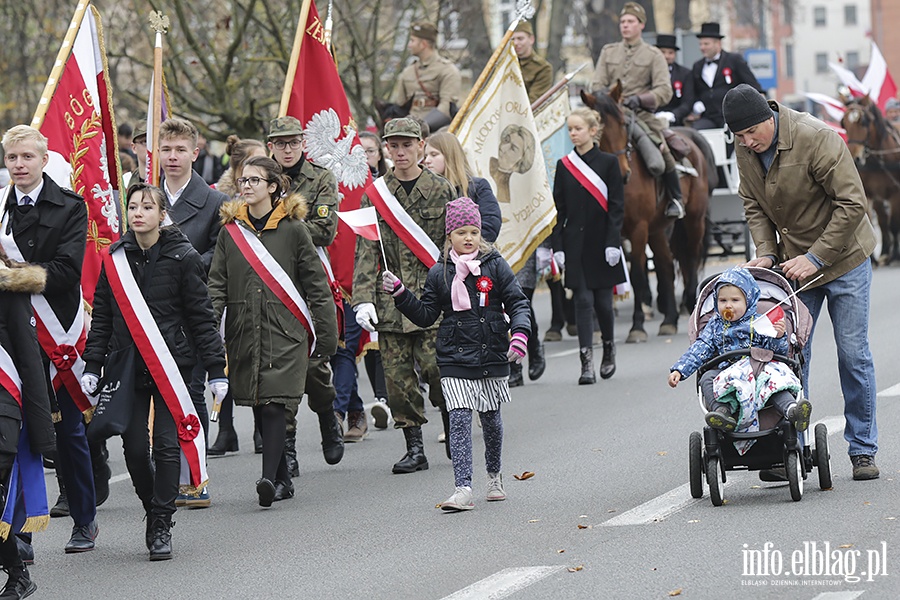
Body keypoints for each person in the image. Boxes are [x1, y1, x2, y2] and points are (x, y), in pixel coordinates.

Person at [722, 83, 879, 480]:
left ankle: (862, 450)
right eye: (737, 137)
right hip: (793, 268)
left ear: (767, 119)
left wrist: (816, 257)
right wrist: (767, 250)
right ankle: (788, 448)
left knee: (852, 354)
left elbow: (852, 204)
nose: (745, 143)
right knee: (785, 357)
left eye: (749, 134)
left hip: (843, 260)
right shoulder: (746, 148)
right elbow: (753, 203)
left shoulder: (816, 137)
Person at [81, 184, 227, 560]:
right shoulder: (113, 259)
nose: (138, 212)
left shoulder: (184, 257)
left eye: (147, 206)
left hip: (171, 365)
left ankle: (161, 521)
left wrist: (215, 368)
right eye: (132, 206)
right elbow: (103, 319)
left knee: (165, 446)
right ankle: (153, 506)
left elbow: (201, 317)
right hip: (127, 366)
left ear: (162, 214)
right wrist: (93, 365)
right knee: (132, 450)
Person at [382, 197, 530, 510]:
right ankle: (463, 488)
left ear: (481, 235)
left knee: (490, 420)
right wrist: (400, 294)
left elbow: (517, 302)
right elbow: (424, 315)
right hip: (453, 357)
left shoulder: (495, 264)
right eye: (461, 231)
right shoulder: (439, 273)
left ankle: (494, 476)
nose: (468, 238)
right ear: (450, 236)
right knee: (459, 418)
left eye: (474, 232)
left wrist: (519, 335)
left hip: (491, 354)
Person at [208, 156, 338, 506]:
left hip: (286, 330)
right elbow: (217, 284)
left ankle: (267, 478)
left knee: (275, 404)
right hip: (244, 330)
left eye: (255, 180)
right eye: (243, 180)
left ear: (273, 186)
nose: (246, 186)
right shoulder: (230, 233)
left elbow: (315, 284)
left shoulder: (294, 229)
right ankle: (282, 478)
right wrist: (209, 332)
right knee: (258, 400)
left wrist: (327, 334)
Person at [1, 125, 99, 553]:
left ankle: (84, 518)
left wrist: (14, 277)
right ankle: (16, 534)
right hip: (11, 332)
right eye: (11, 158)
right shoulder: (1, 206)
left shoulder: (69, 207)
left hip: (56, 332)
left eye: (26, 157)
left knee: (67, 433)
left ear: (43, 159)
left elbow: (65, 272)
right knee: (15, 433)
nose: (19, 165)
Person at [353, 117, 455, 473]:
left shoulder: (442, 190)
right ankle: (414, 447)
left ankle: (451, 430)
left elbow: (453, 245)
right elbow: (366, 249)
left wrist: (457, 287)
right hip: (392, 304)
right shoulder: (376, 193)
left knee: (437, 370)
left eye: (407, 145)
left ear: (421, 146)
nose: (400, 152)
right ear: (385, 150)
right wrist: (362, 298)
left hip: (433, 302)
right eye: (393, 146)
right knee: (397, 381)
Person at [158, 117, 229, 508]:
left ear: (195, 154)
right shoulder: (146, 197)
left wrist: (178, 265)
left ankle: (195, 475)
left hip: (192, 312)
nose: (173, 157)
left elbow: (217, 257)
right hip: (152, 312)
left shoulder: (214, 202)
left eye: (180, 149)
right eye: (166, 149)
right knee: (159, 395)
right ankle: (168, 472)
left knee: (191, 392)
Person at [267, 116, 344, 475]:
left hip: (308, 282)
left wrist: (279, 229)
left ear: (302, 143)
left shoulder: (321, 178)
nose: (287, 148)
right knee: (279, 371)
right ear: (270, 146)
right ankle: (288, 451)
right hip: (271, 281)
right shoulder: (261, 179)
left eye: (292, 142)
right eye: (280, 143)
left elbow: (325, 230)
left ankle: (327, 414)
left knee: (314, 366)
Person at [668, 267, 811, 438]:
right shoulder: (714, 326)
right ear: (716, 302)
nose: (728, 305)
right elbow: (700, 349)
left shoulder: (759, 322)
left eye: (735, 300)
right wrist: (679, 370)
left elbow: (778, 351)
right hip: (727, 374)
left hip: (759, 371)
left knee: (776, 382)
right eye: (722, 301)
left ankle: (792, 410)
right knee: (707, 378)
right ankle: (722, 411)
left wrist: (779, 336)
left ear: (748, 301)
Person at [551, 108, 626, 384]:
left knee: (604, 305)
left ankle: (608, 348)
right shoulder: (564, 165)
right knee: (582, 301)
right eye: (570, 129)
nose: (573, 133)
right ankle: (586, 362)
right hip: (575, 245)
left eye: (578, 128)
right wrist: (556, 245)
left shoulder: (608, 163)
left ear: (593, 131)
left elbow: (617, 207)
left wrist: (613, 242)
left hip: (602, 243)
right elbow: (559, 209)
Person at [590, 2, 684, 220]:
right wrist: (608, 99)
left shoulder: (653, 55)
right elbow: (597, 85)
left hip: (640, 116)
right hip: (610, 115)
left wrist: (640, 99)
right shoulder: (608, 51)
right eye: (623, 22)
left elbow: (664, 90)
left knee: (658, 158)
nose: (625, 26)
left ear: (641, 25)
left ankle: (675, 199)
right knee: (584, 147)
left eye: (630, 22)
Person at [0, 246, 57, 596]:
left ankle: (18, 573)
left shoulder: (10, 290)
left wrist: (43, 434)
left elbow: (30, 363)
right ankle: (17, 569)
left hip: (3, 410)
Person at [357, 132, 391, 429]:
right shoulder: (353, 185)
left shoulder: (386, 186)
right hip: (369, 270)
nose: (366, 155)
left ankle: (395, 392)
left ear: (379, 154)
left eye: (370, 150)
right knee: (371, 340)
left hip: (394, 270)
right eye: (360, 150)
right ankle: (381, 397)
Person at [423, 132, 501, 243]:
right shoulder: (424, 191)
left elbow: (490, 226)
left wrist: (460, 249)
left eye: (434, 154)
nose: (427, 161)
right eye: (426, 156)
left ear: (450, 155)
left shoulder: (477, 187)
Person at [690, 23, 763, 130]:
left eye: (706, 44)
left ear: (718, 43)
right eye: (700, 44)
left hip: (732, 115)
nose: (702, 48)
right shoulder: (697, 66)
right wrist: (697, 103)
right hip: (708, 116)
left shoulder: (734, 60)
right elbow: (695, 91)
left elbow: (752, 85)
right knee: (696, 133)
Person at [393, 21, 461, 131]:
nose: (409, 45)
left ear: (423, 44)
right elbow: (400, 106)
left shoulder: (447, 70)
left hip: (438, 131)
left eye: (412, 41)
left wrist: (421, 128)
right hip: (409, 130)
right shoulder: (408, 72)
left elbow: (446, 107)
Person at [655, 34, 696, 127]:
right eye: (663, 52)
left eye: (670, 53)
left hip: (676, 121)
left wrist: (673, 115)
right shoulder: (647, 73)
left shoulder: (685, 73)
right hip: (652, 120)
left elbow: (688, 101)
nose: (666, 56)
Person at [513, 21, 553, 104]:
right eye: (512, 39)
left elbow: (534, 101)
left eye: (520, 39)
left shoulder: (542, 68)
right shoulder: (504, 65)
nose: (516, 43)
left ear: (531, 39)